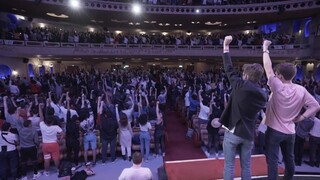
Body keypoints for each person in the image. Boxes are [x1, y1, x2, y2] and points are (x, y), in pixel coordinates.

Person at [262, 40, 320, 179]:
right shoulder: (302, 90)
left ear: (280, 76)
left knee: (273, 161)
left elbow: (267, 67)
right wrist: (301, 118)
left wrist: (265, 48)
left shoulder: (277, 85)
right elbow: (316, 106)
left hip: (274, 131)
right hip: (291, 132)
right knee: (289, 159)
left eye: (277, 74)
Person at [220, 36, 268, 180]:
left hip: (233, 132)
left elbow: (228, 69)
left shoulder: (240, 85)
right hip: (248, 134)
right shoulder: (263, 94)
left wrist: (226, 47)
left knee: (229, 166)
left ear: (246, 75)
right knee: (246, 166)